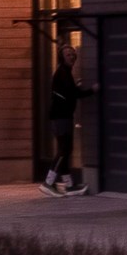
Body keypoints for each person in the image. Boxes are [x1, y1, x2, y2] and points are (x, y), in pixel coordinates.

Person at [42, 50, 93, 195]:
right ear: (62, 58)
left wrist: (75, 87)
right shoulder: (63, 73)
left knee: (66, 149)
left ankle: (69, 185)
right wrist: (92, 90)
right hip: (61, 117)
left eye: (73, 54)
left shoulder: (65, 72)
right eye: (68, 55)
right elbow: (73, 94)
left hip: (62, 116)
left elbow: (69, 92)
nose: (72, 56)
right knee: (64, 149)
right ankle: (48, 182)